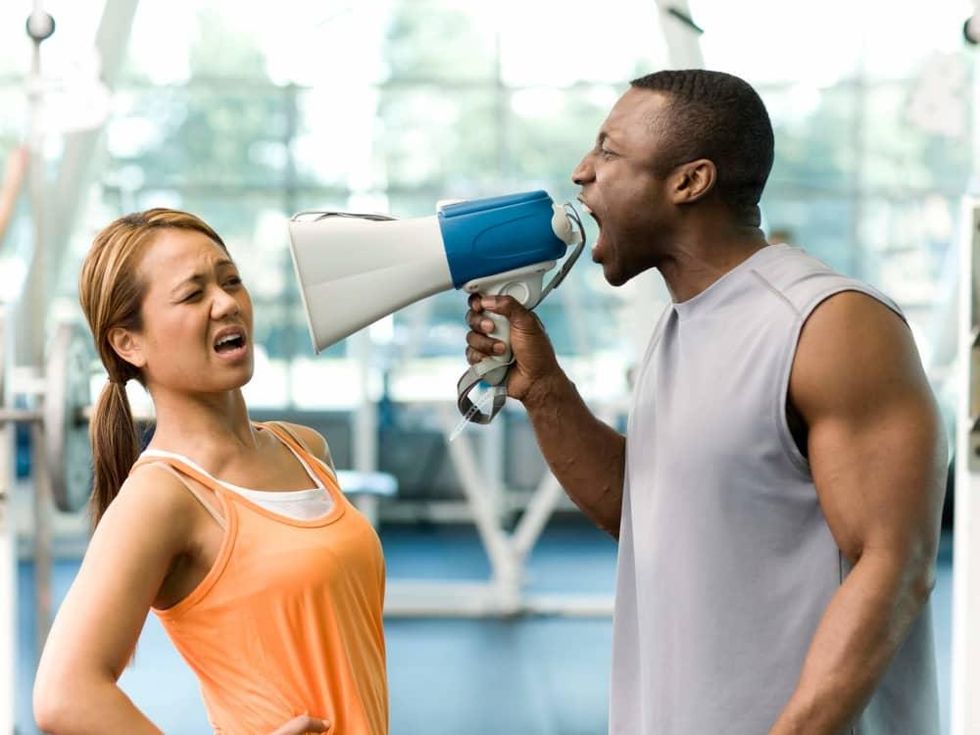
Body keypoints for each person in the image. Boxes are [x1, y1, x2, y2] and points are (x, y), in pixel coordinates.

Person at [465, 70, 947, 734]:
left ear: (690, 181)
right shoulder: (681, 323)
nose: (581, 171)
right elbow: (646, 512)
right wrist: (544, 388)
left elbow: (894, 566)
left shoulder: (829, 322)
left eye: (608, 150)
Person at [33, 209, 388, 734]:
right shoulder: (162, 496)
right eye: (193, 294)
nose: (226, 303)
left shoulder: (304, 449)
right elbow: (64, 694)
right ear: (129, 343)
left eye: (231, 280)